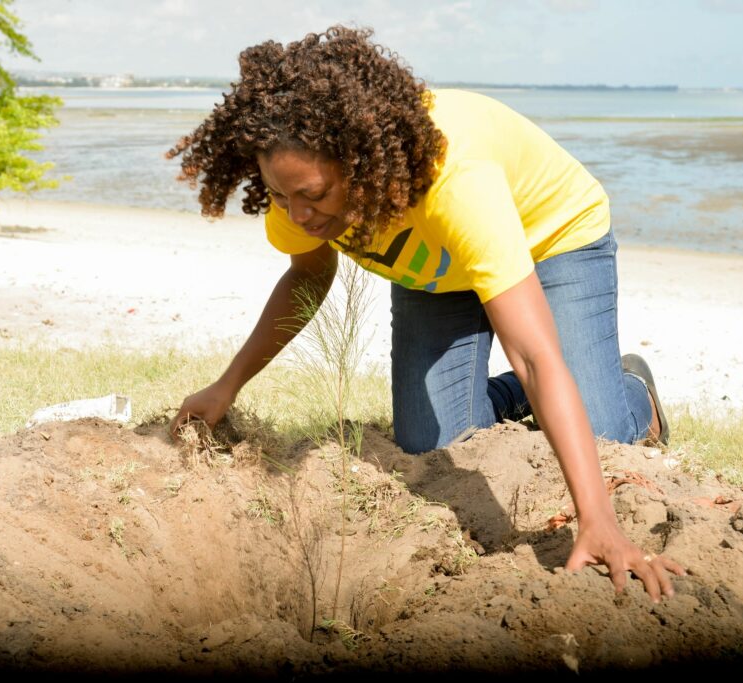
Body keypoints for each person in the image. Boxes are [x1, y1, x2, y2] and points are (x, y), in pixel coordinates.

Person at [167, 25, 685, 601]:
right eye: (282, 195)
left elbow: (535, 357)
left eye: (313, 195)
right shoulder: (296, 193)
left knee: (600, 432)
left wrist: (599, 521)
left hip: (550, 241)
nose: (298, 213)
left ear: (363, 164)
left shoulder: (456, 182)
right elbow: (308, 277)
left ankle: (632, 391)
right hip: (438, 274)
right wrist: (227, 385)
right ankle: (534, 399)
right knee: (430, 444)